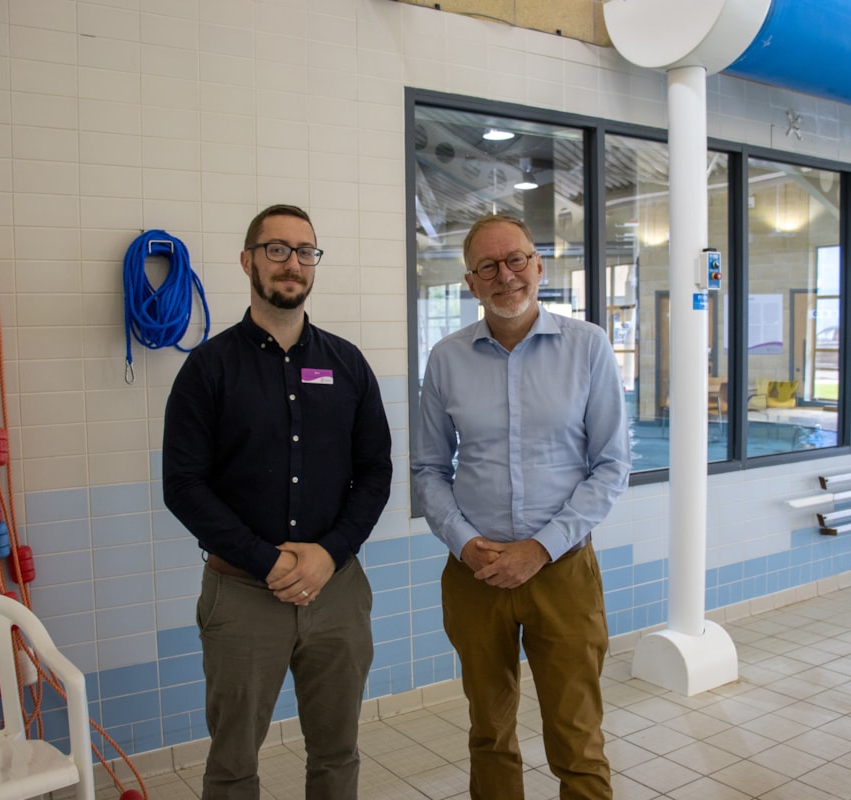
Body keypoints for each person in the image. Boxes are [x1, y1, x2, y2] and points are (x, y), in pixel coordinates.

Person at [163, 203, 392, 800]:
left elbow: (375, 472)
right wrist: (270, 562)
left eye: (305, 251)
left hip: (337, 591)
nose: (293, 263)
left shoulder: (347, 365)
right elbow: (183, 485)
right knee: (234, 763)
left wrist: (328, 554)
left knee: (337, 755)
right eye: (277, 249)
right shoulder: (208, 368)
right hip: (241, 594)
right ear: (248, 260)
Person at [411, 213, 630, 799]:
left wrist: (540, 548)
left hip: (562, 571)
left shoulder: (588, 348)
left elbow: (611, 464)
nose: (504, 275)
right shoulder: (446, 359)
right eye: (488, 266)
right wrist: (464, 542)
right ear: (470, 282)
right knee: (489, 731)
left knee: (577, 738)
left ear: (539, 266)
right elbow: (428, 469)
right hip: (475, 574)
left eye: (515, 260)